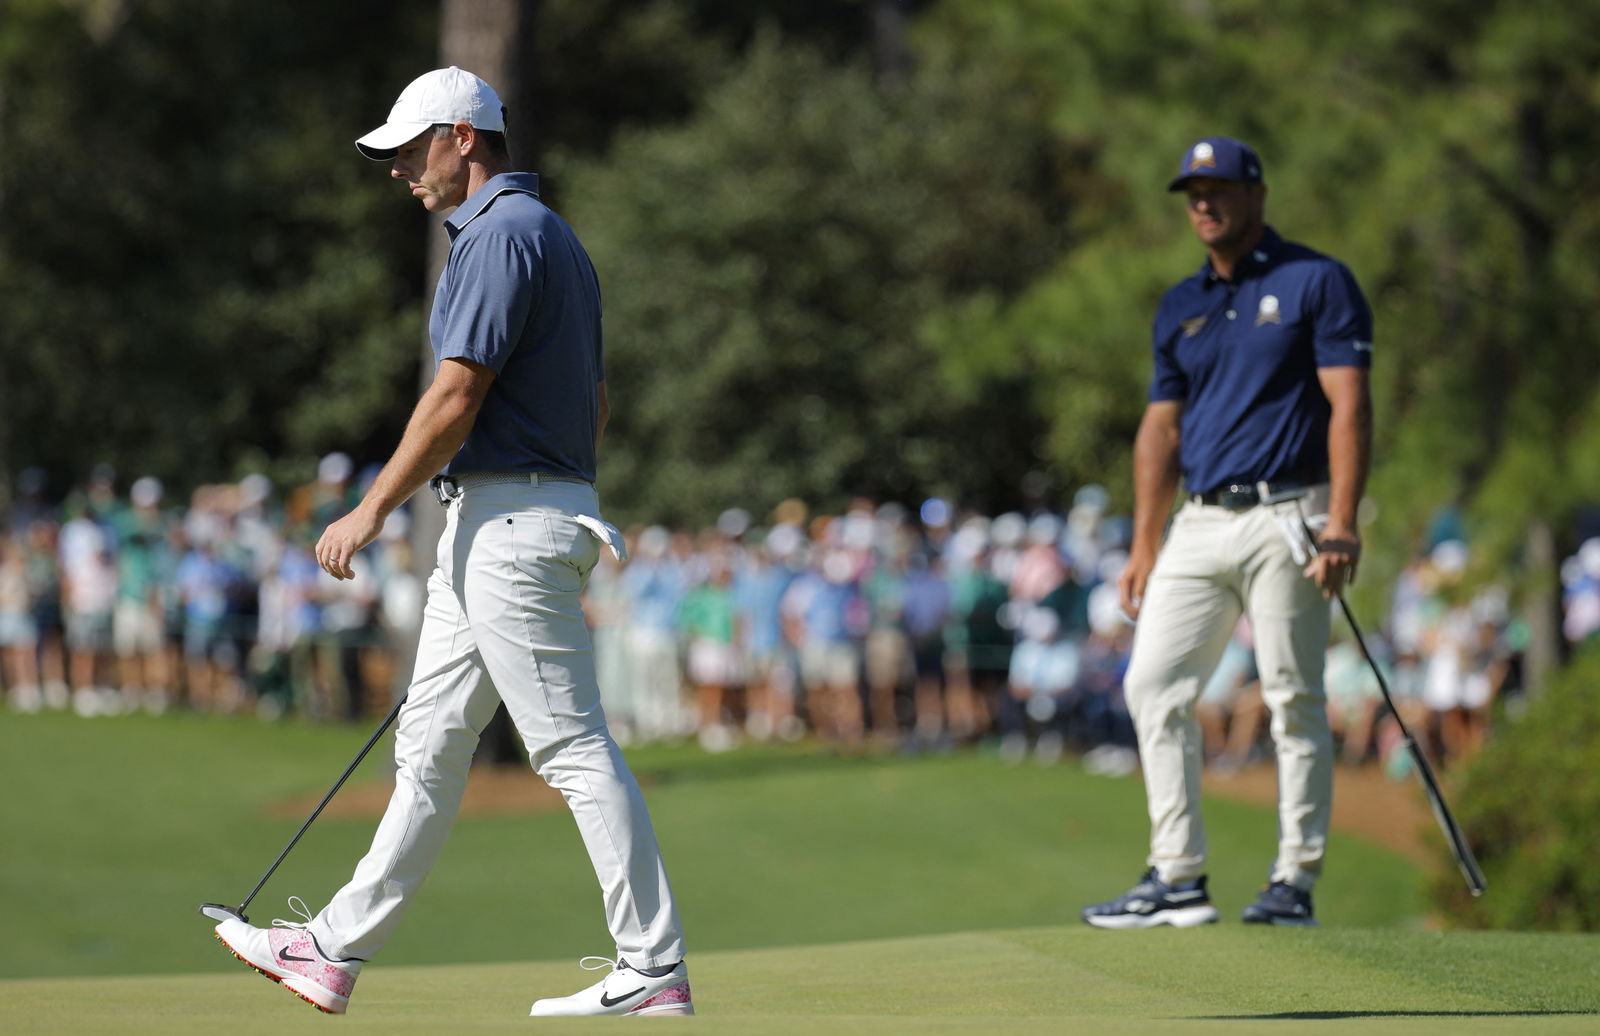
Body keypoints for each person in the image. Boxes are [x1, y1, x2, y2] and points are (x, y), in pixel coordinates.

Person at [212, 67, 691, 1017]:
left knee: (570, 746)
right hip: (512, 518)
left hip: (509, 524)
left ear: (462, 137)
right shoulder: (550, 236)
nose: (398, 170)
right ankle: (331, 951)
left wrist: (370, 509)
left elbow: (457, 394)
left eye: (408, 149)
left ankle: (651, 963)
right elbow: (592, 404)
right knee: (428, 745)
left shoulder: (502, 234)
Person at [1081, 137, 1372, 929]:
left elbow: (1349, 403)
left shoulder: (1315, 280)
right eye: (1193, 193)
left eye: (1218, 189)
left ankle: (1294, 880)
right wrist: (1144, 543)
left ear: (1256, 194)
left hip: (1291, 512)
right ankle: (1177, 876)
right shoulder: (1181, 303)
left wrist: (1342, 522)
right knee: (1152, 685)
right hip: (1200, 520)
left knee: (1291, 694)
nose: (1204, 203)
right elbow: (1160, 430)